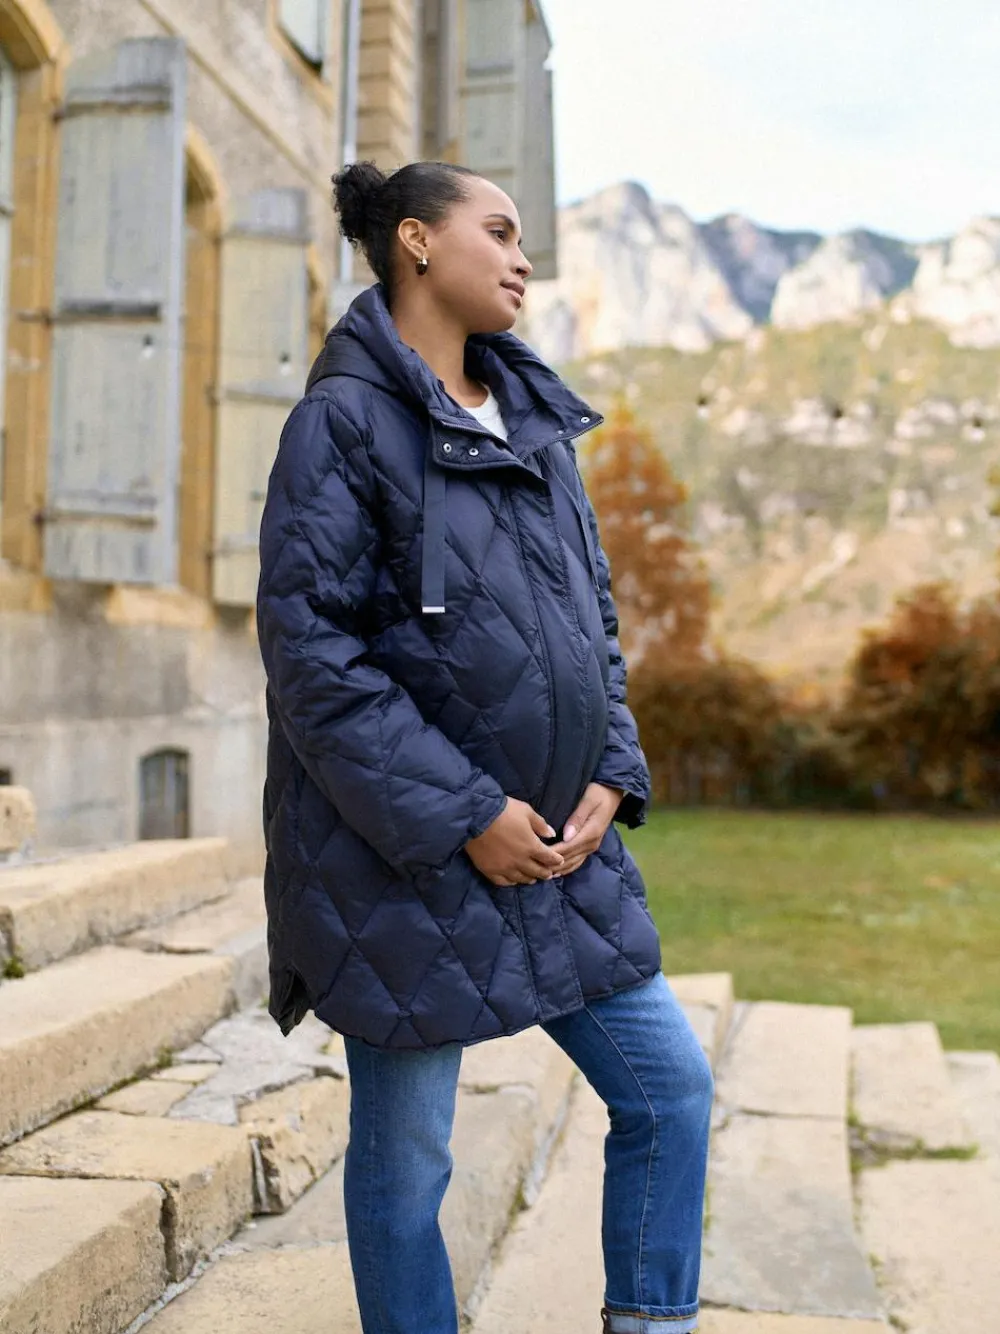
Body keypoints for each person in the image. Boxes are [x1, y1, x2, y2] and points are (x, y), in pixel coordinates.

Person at [256, 159, 714, 1334]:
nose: (523, 257)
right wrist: (466, 812)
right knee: (408, 1157)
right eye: (499, 231)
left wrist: (614, 764)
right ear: (416, 240)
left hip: (562, 849)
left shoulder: (539, 425)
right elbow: (313, 657)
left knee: (670, 1087)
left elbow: (591, 625)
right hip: (401, 860)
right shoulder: (340, 423)